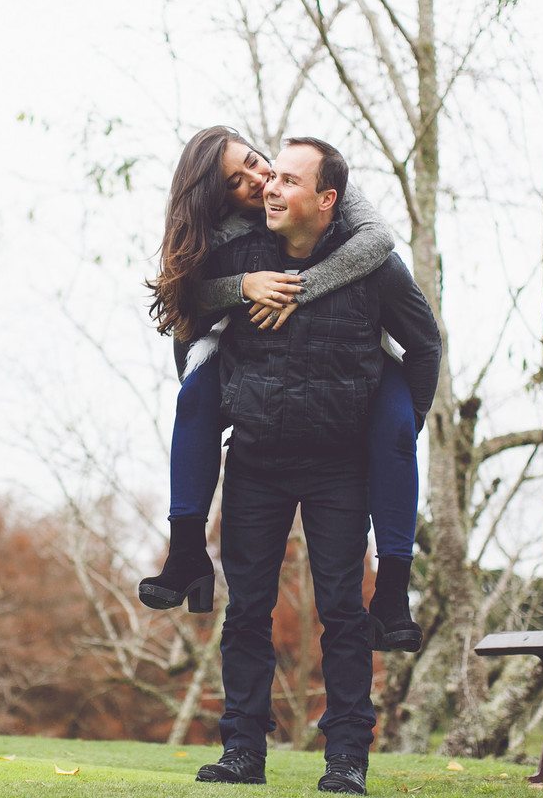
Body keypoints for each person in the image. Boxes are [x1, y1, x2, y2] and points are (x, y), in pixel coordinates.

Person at [193, 137, 441, 793]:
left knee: (341, 611)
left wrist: (402, 429)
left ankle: (347, 759)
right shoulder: (242, 256)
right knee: (247, 610)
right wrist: (225, 399)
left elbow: (424, 345)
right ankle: (242, 751)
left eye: (289, 181)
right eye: (270, 176)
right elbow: (189, 318)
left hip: (339, 466)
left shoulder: (375, 268)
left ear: (327, 199)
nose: (270, 188)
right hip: (255, 461)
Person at [141, 126, 424, 652]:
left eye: (254, 160)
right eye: (235, 181)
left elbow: (378, 241)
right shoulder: (220, 233)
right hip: (254, 389)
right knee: (194, 395)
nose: (258, 179)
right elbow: (184, 300)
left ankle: (393, 591)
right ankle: (186, 551)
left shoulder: (315, 182)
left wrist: (301, 290)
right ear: (216, 199)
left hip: (352, 354)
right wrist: (242, 287)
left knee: (396, 424)